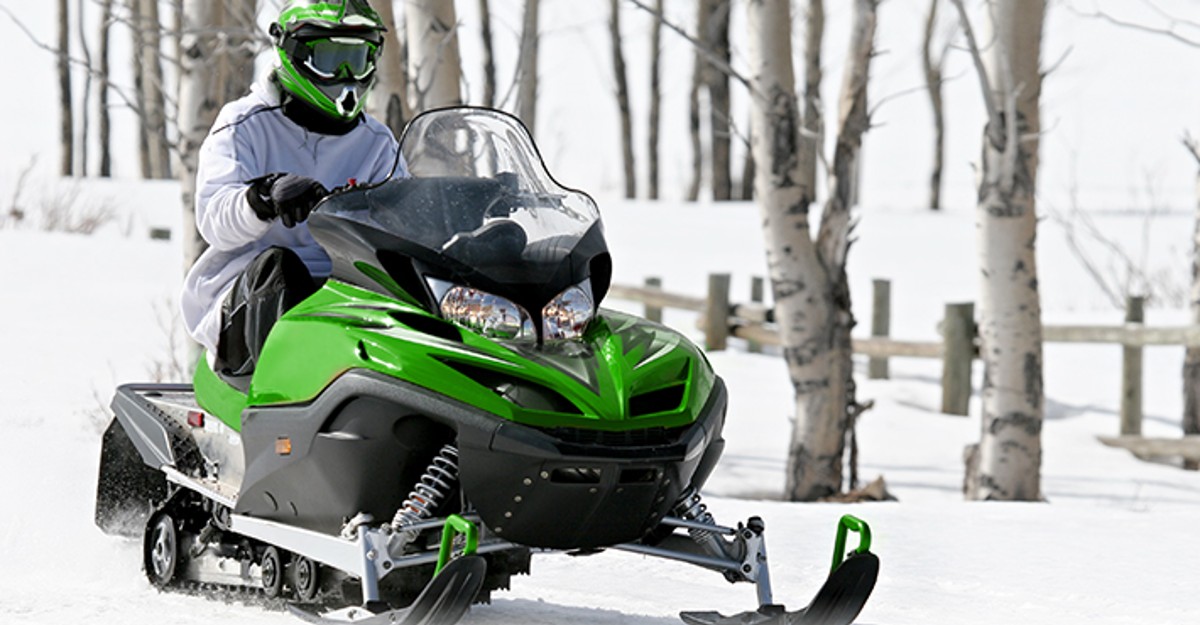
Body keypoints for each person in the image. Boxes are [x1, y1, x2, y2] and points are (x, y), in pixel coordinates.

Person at [181, 0, 405, 376]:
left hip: (346, 292)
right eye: (331, 58)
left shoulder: (377, 142)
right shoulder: (244, 125)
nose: (347, 75)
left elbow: (406, 216)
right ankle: (280, 404)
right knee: (281, 269)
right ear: (294, 54)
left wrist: (464, 212)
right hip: (247, 299)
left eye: (358, 58)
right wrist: (263, 198)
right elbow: (213, 217)